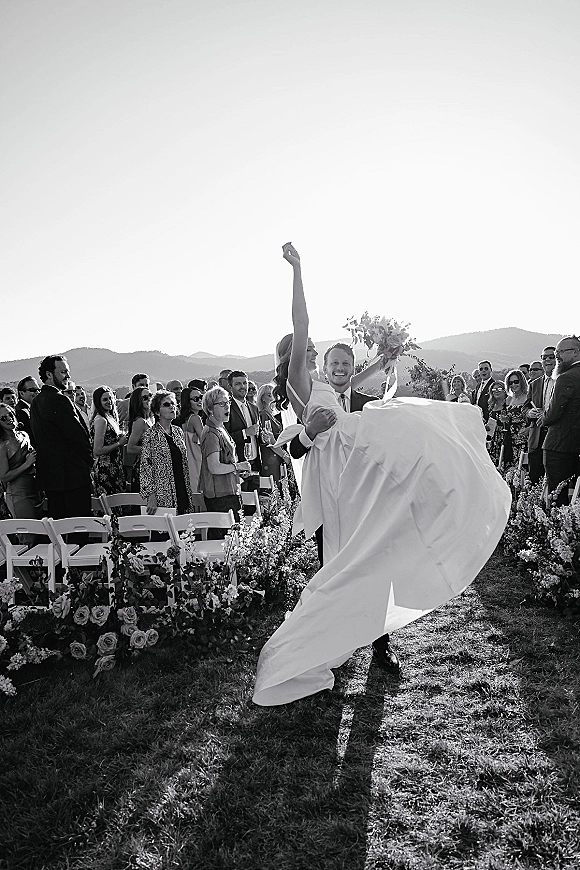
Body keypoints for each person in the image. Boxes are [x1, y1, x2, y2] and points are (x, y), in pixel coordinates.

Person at [253, 244, 510, 706]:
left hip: (360, 481)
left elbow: (359, 375)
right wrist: (298, 270)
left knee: (379, 554)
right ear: (293, 357)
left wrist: (386, 353)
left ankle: (379, 643)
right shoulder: (301, 383)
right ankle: (318, 643)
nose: (313, 347)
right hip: (336, 488)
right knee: (341, 567)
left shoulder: (332, 387)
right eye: (309, 348)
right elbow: (301, 325)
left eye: (316, 350)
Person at [30, 355, 93, 519]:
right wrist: (90, 462)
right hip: (72, 477)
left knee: (59, 530)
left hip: (51, 478)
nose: (68, 376)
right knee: (78, 528)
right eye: (63, 372)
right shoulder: (60, 400)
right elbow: (78, 437)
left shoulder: (36, 402)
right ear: (49, 374)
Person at [199, 387, 250, 532]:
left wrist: (238, 472)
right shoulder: (211, 433)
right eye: (221, 404)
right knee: (227, 542)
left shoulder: (220, 428)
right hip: (220, 496)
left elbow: (225, 463)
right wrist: (237, 467)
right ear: (209, 409)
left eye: (228, 402)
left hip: (229, 491)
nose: (227, 406)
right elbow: (214, 467)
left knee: (235, 540)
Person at [140, 391, 194, 515]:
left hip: (181, 487)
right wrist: (151, 495)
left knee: (184, 531)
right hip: (162, 493)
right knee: (164, 530)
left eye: (173, 404)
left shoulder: (178, 431)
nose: (172, 407)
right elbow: (145, 467)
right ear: (157, 412)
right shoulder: (151, 434)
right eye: (166, 404)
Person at [541, 336, 580, 505]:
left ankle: (554, 529)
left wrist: (542, 417)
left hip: (559, 446)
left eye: (561, 352)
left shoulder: (566, 377)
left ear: (576, 352)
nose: (557, 356)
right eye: (557, 351)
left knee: (557, 497)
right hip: (575, 445)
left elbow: (552, 414)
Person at [0, 403, 41, 530]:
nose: (9, 418)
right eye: (3, 418)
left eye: (10, 414)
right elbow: (4, 477)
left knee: (42, 533)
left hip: (35, 488)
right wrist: (26, 464)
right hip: (19, 494)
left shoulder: (24, 435)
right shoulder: (2, 446)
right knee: (29, 534)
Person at [225, 370, 261, 490]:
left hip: (255, 464)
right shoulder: (226, 408)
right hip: (238, 465)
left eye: (244, 383)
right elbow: (224, 438)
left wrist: (264, 436)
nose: (243, 387)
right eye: (238, 384)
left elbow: (256, 435)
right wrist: (245, 433)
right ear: (230, 387)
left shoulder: (254, 408)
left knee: (255, 504)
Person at [526, 347, 556, 484]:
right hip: (536, 436)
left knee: (552, 478)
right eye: (544, 357)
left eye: (551, 357)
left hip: (556, 434)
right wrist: (529, 412)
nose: (548, 360)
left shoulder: (562, 380)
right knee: (534, 478)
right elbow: (525, 407)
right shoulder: (534, 384)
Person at [90, 386, 127, 496]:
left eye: (110, 398)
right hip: (106, 469)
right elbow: (97, 450)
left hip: (114, 466)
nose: (109, 402)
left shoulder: (109, 416)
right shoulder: (101, 420)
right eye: (105, 399)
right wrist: (119, 443)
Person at [256, 383, 291, 483]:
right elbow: (269, 441)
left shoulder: (271, 415)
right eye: (269, 395)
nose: (273, 398)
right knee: (273, 489)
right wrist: (284, 456)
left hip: (277, 457)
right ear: (262, 398)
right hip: (271, 458)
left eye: (274, 394)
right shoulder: (263, 415)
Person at [126, 387, 154, 492]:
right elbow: (130, 448)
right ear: (138, 401)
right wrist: (152, 449)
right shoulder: (140, 421)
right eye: (145, 398)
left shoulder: (150, 419)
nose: (149, 399)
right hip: (143, 468)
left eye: (151, 396)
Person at [178, 386, 204, 492]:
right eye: (195, 399)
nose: (200, 401)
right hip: (197, 461)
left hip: (189, 463)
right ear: (188, 402)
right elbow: (206, 441)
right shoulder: (195, 419)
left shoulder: (184, 420)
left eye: (201, 397)